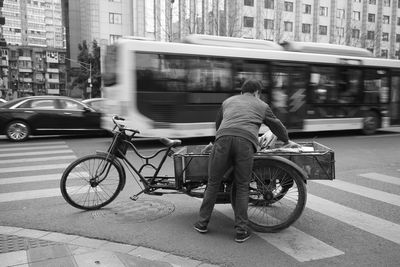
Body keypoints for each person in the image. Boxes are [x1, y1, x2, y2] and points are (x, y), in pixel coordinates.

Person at [194, 79, 299, 243]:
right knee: (242, 186)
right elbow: (276, 126)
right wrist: (286, 140)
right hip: (245, 143)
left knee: (213, 183)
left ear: (242, 91)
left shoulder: (228, 101)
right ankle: (240, 231)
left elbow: (218, 124)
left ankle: (202, 223)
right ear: (257, 92)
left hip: (223, 140)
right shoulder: (261, 105)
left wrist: (222, 138)